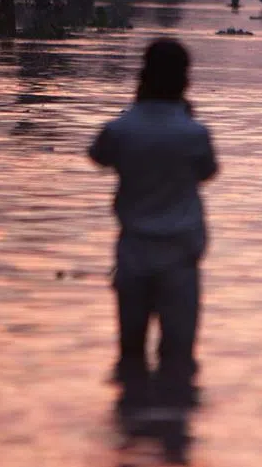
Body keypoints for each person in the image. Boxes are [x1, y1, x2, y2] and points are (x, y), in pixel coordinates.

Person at [89, 39, 218, 405]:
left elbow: (98, 155)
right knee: (178, 359)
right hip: (180, 256)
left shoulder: (121, 129)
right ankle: (170, 427)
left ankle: (132, 422)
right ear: (185, 79)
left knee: (130, 355)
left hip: (133, 254)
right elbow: (208, 171)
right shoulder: (194, 133)